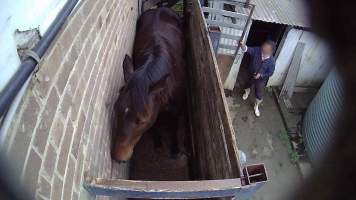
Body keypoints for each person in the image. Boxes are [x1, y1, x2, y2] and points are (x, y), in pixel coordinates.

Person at [240, 40, 276, 117]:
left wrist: (261, 75)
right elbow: (249, 49)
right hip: (251, 73)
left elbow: (271, 73)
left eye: (266, 48)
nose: (263, 48)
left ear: (270, 51)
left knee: (259, 94)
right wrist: (243, 46)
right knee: (247, 84)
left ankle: (256, 106)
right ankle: (247, 92)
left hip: (261, 79)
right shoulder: (257, 50)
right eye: (263, 46)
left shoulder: (272, 62)